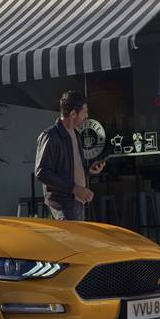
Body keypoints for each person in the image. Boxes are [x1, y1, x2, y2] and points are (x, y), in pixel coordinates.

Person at [34, 90, 105, 221]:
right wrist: (74, 189)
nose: (87, 116)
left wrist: (88, 171)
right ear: (73, 114)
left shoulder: (76, 135)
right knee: (71, 241)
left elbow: (71, 168)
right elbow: (41, 172)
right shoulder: (50, 136)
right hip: (63, 204)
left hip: (77, 202)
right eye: (84, 112)